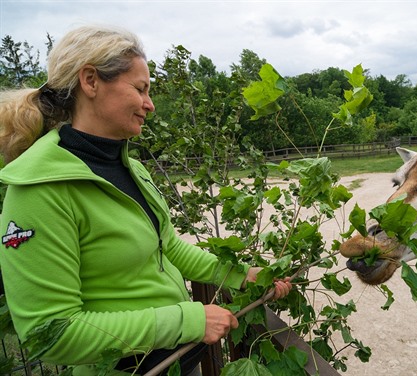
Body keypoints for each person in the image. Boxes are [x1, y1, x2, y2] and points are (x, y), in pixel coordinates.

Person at [0, 25, 291, 375]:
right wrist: (188, 320)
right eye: (140, 89)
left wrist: (243, 275)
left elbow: (167, 245)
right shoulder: (40, 190)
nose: (150, 105)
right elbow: (51, 334)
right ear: (90, 81)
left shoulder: (131, 167)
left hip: (181, 361)